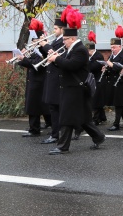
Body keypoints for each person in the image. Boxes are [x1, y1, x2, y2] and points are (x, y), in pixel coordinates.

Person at [47, 14, 106, 155]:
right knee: (84, 118)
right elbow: (64, 67)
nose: (63, 42)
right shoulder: (71, 49)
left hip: (76, 89)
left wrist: (57, 58)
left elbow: (71, 65)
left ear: (72, 38)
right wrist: (53, 60)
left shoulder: (80, 50)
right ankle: (98, 137)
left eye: (65, 39)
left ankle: (63, 146)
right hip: (71, 88)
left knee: (66, 118)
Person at [16, 19, 50, 137]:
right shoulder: (35, 50)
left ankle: (35, 129)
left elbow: (37, 65)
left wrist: (24, 59)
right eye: (33, 40)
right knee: (35, 105)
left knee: (34, 106)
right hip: (33, 81)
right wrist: (22, 57)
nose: (33, 43)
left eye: (35, 40)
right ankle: (37, 126)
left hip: (39, 82)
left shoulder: (43, 51)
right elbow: (29, 63)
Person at [38, 17, 66, 144]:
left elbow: (56, 56)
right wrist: (41, 46)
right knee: (53, 107)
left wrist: (45, 44)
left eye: (55, 29)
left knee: (55, 107)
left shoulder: (63, 42)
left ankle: (56, 134)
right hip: (51, 77)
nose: (53, 31)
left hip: (57, 78)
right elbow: (47, 56)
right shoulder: (56, 40)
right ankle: (56, 131)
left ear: (62, 29)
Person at [103, 27, 123, 131]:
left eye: (114, 47)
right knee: (118, 103)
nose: (112, 49)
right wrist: (105, 69)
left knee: (118, 103)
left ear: (120, 46)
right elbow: (111, 68)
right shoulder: (112, 56)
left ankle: (116, 123)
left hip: (122, 82)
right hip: (113, 82)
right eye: (111, 47)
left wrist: (111, 65)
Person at [86, 32, 107, 125]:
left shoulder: (98, 56)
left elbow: (93, 67)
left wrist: (86, 62)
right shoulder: (91, 57)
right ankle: (102, 117)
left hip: (98, 80)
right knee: (96, 100)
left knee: (96, 101)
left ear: (90, 50)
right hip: (93, 80)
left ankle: (96, 119)